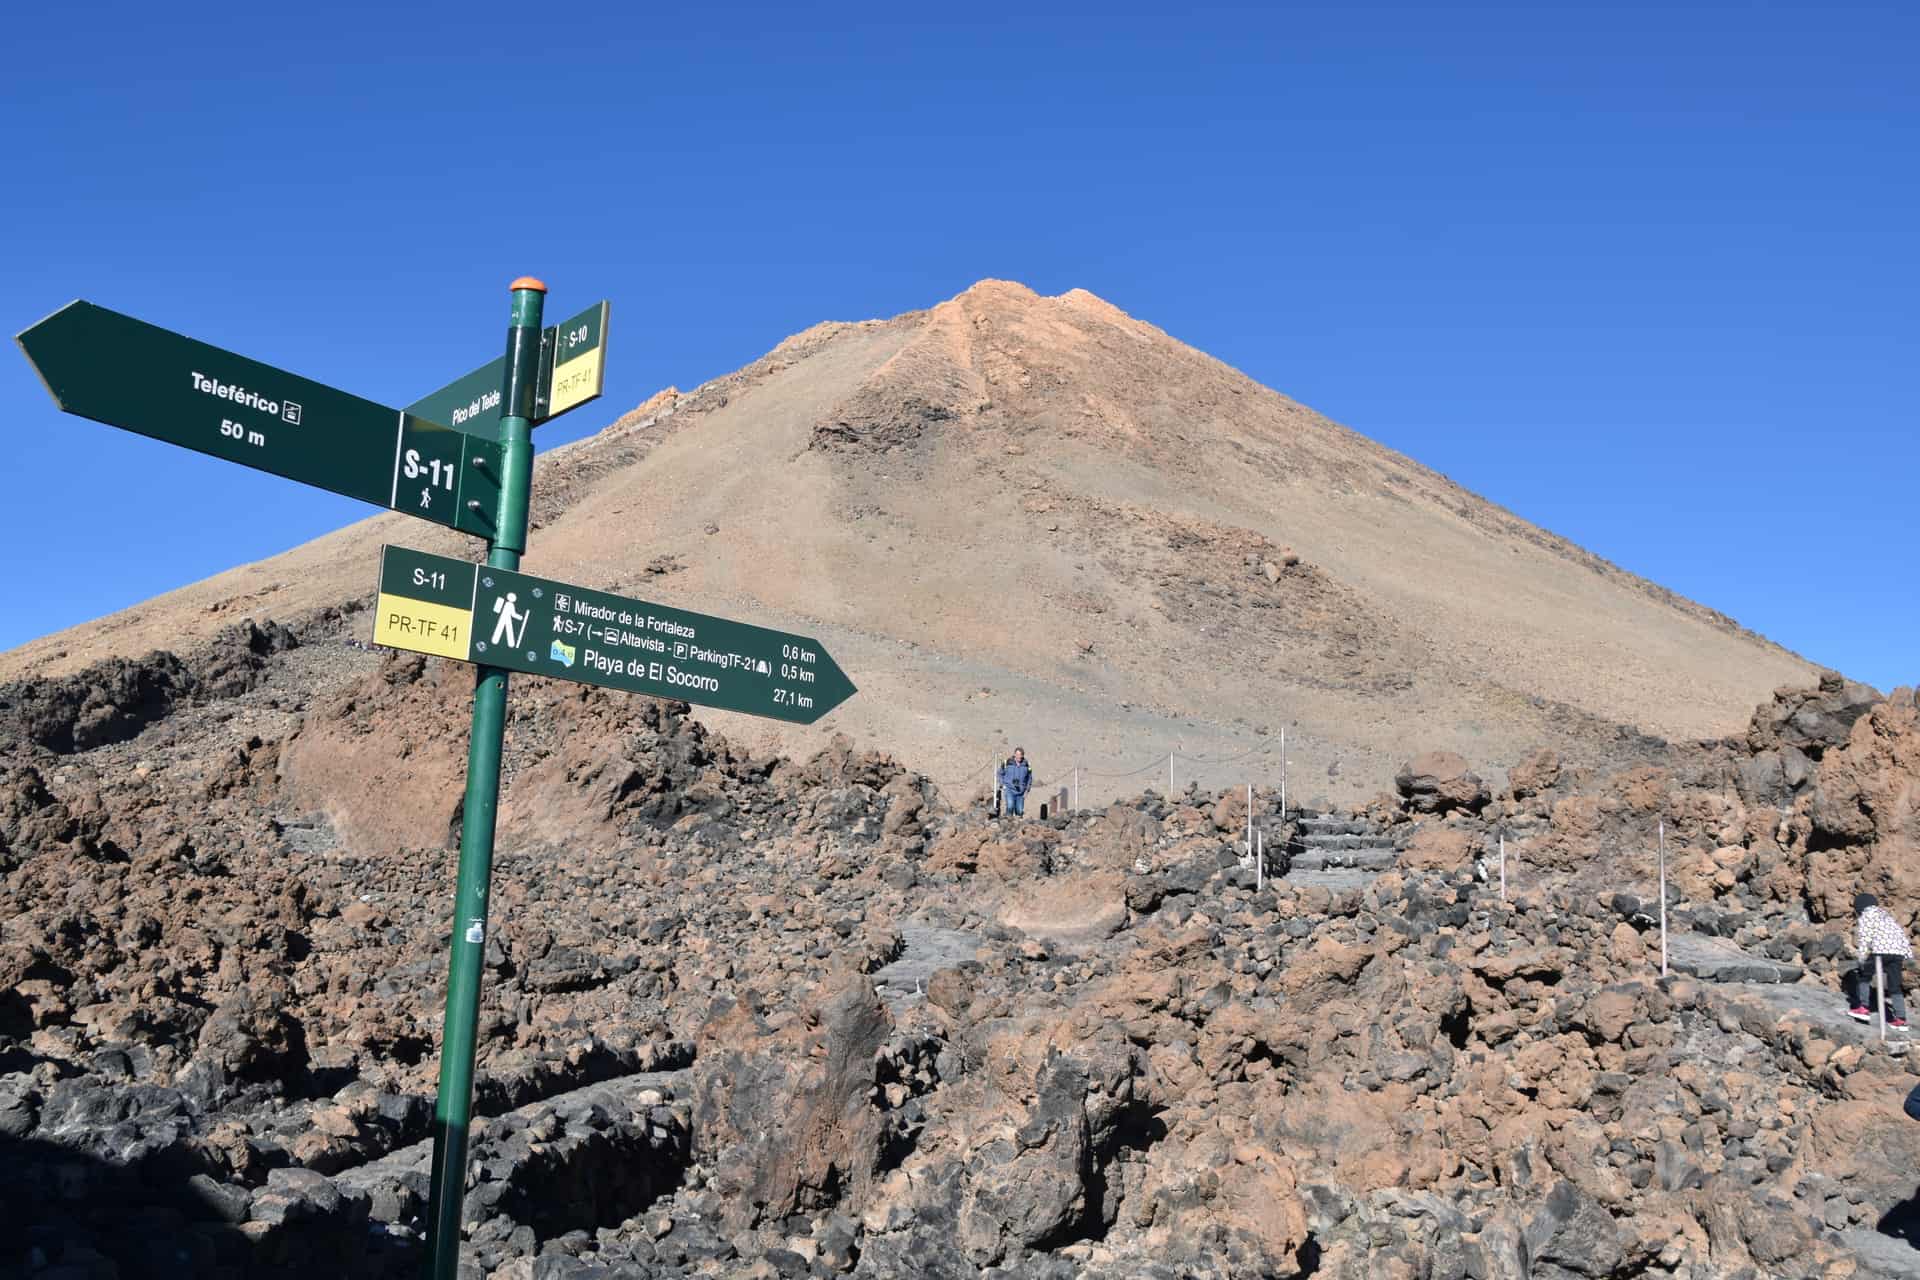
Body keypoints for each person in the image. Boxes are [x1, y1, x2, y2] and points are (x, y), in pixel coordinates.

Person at [1848, 893, 1913, 1028]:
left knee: (1864, 976)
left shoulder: (1866, 915)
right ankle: (1901, 1020)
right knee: (1895, 985)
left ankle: (1864, 1008)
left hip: (1880, 952)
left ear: (1860, 907)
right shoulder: (1887, 917)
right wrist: (1908, 955)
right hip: (1897, 953)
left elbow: (1865, 937)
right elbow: (1901, 935)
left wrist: (1861, 958)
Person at [998, 747, 1033, 819]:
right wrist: (1002, 785)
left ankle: (1018, 826)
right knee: (1010, 806)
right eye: (1017, 754)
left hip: (1020, 792)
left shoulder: (1026, 765)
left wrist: (1027, 789)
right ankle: (1008, 823)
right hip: (1009, 789)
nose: (1019, 756)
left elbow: (1029, 778)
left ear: (1023, 755)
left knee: (1019, 811)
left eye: (1020, 755)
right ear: (1014, 754)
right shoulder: (1007, 762)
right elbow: (1000, 773)